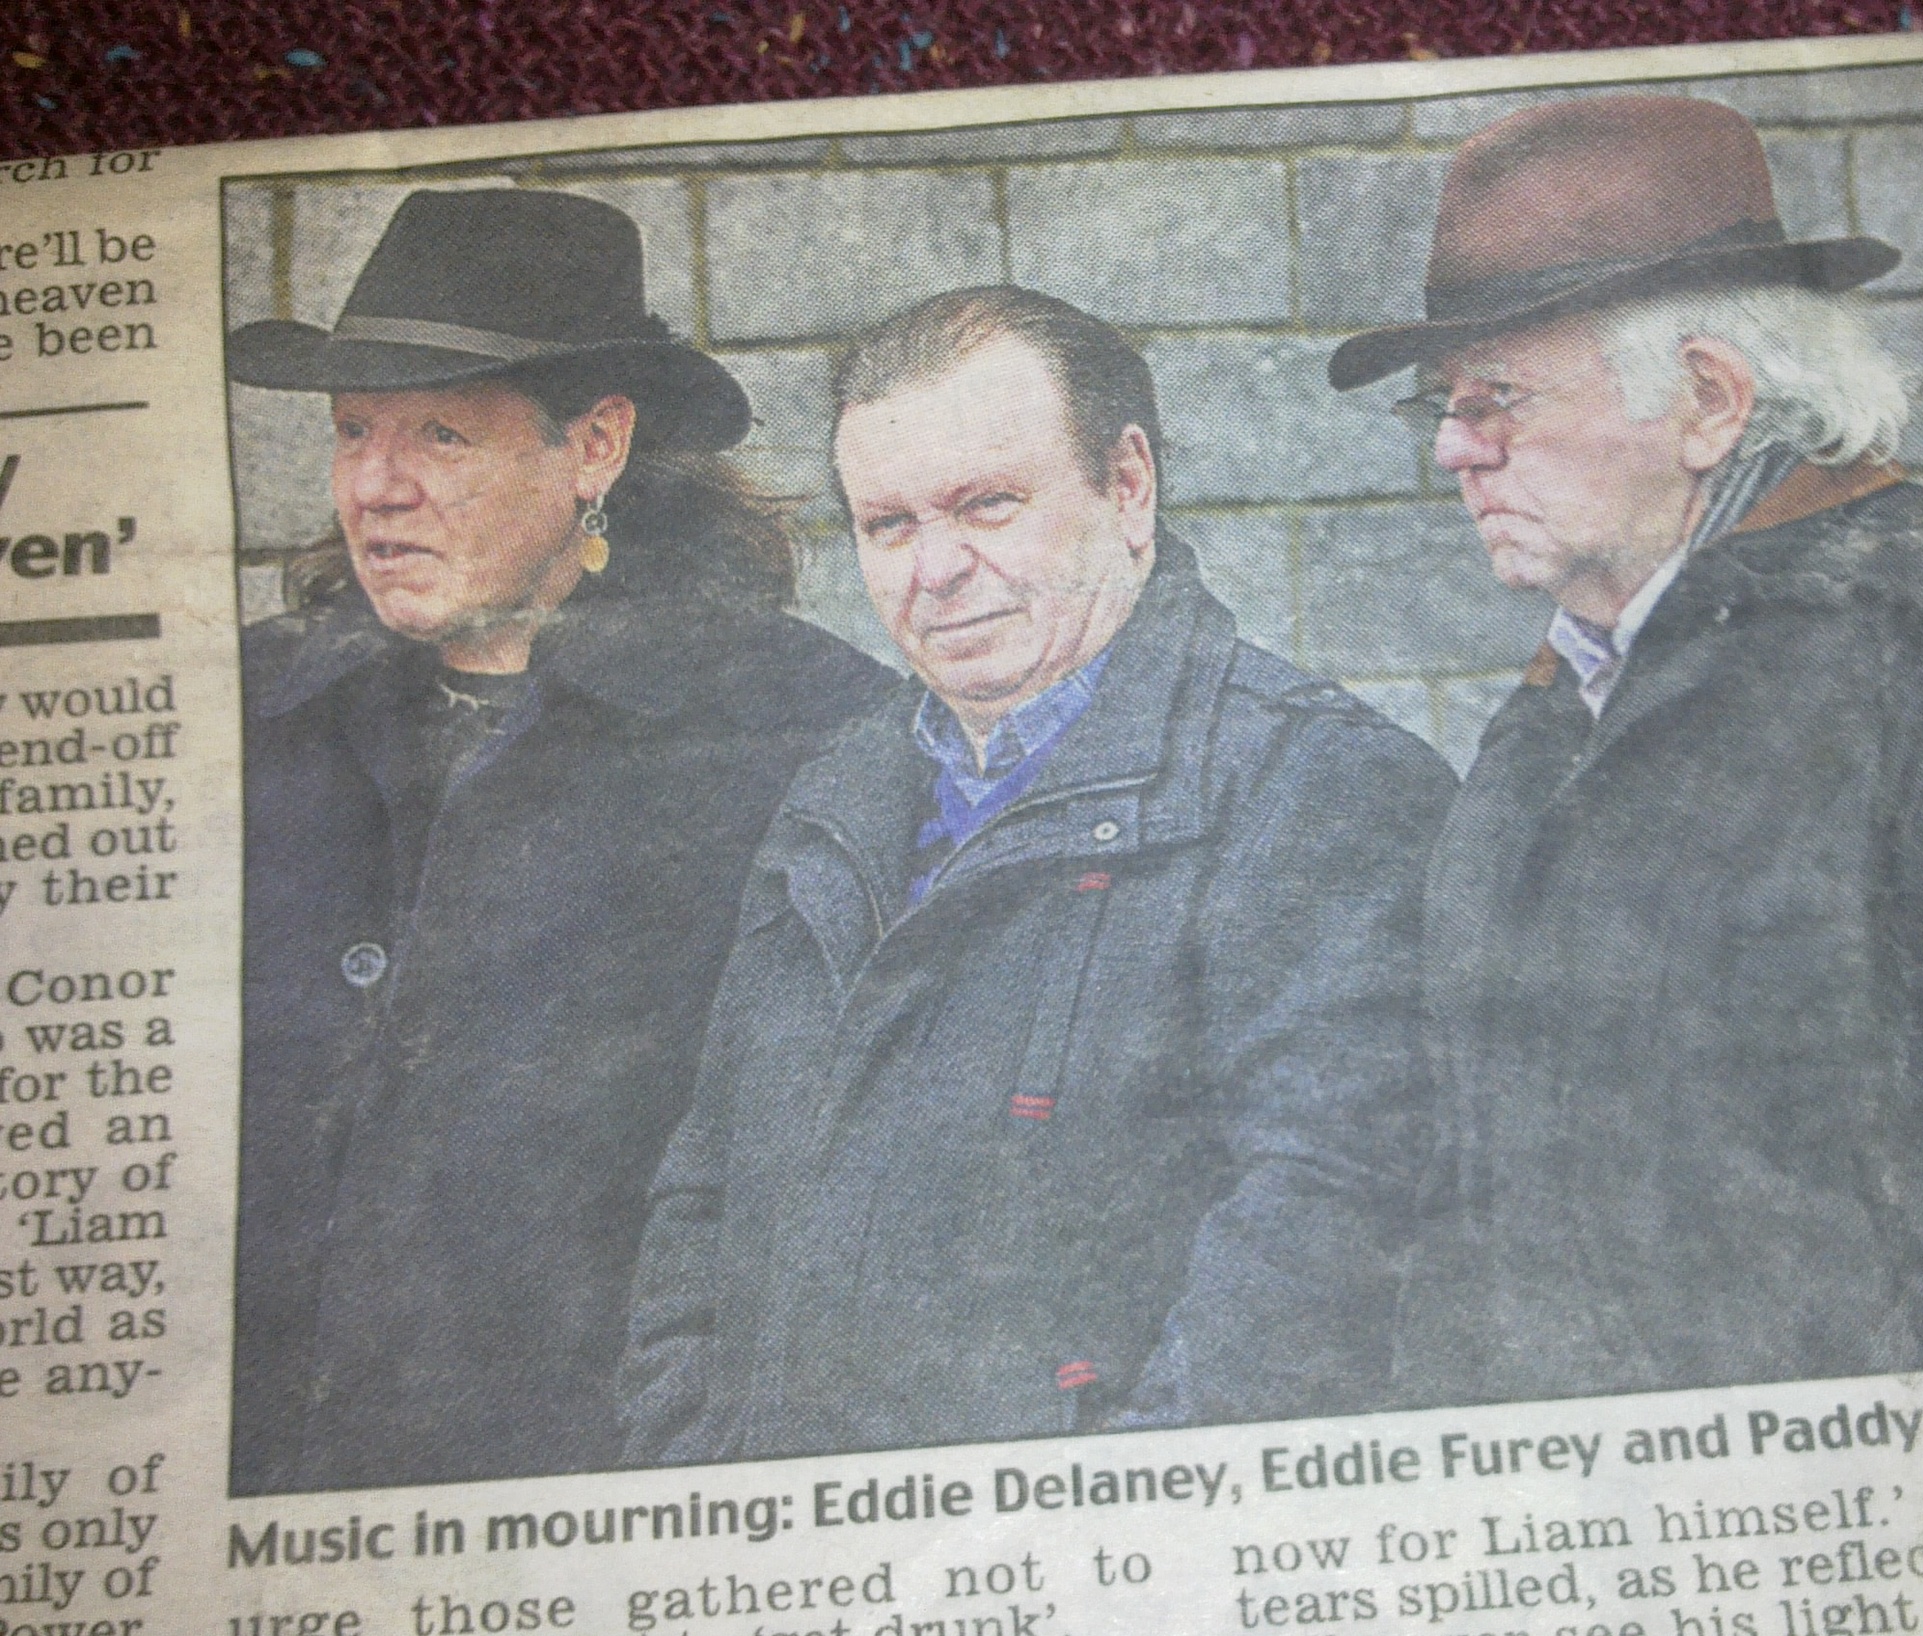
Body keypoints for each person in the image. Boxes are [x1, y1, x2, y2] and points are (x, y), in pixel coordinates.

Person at [1325, 96, 1923, 1402]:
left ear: (1708, 399)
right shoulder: (1573, 676)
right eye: (1445, 405)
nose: (1454, 450)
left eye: (1499, 399)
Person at [617, 285, 1455, 1461]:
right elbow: (703, 1192)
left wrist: (1095, 1542)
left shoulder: (1313, 785)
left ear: (1129, 486)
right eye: (888, 525)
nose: (936, 570)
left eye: (988, 507)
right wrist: (688, 1470)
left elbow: (1323, 1235)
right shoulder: (835, 795)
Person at [227, 189, 891, 1492]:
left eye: (439, 432)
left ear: (594, 447)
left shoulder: (806, 733)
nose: (377, 485)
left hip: (581, 1481)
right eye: (352, 429)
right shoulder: (248, 711)